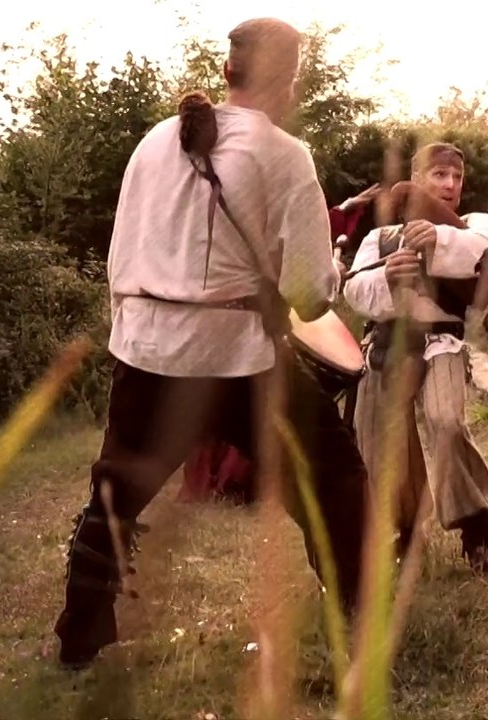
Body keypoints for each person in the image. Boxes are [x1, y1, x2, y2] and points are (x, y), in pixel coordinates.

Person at [54, 17, 371, 669]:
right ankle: (357, 615)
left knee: (116, 490)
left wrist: (137, 331)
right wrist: (333, 269)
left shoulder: (152, 143)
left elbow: (122, 256)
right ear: (290, 79)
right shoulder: (284, 154)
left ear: (227, 72)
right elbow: (310, 293)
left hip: (144, 348)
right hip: (234, 357)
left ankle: (79, 639)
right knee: (332, 471)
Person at [342, 143, 488, 574]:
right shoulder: (380, 236)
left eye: (456, 177)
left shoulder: (476, 225)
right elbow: (354, 291)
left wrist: (441, 236)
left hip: (442, 342)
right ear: (418, 180)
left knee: (446, 422)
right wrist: (386, 277)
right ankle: (402, 529)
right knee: (382, 438)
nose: (450, 184)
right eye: (439, 175)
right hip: (388, 343)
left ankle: (478, 530)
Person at [176, 182, 384, 507]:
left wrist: (346, 209)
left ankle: (229, 482)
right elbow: (292, 268)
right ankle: (232, 483)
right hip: (240, 328)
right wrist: (328, 274)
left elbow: (301, 234)